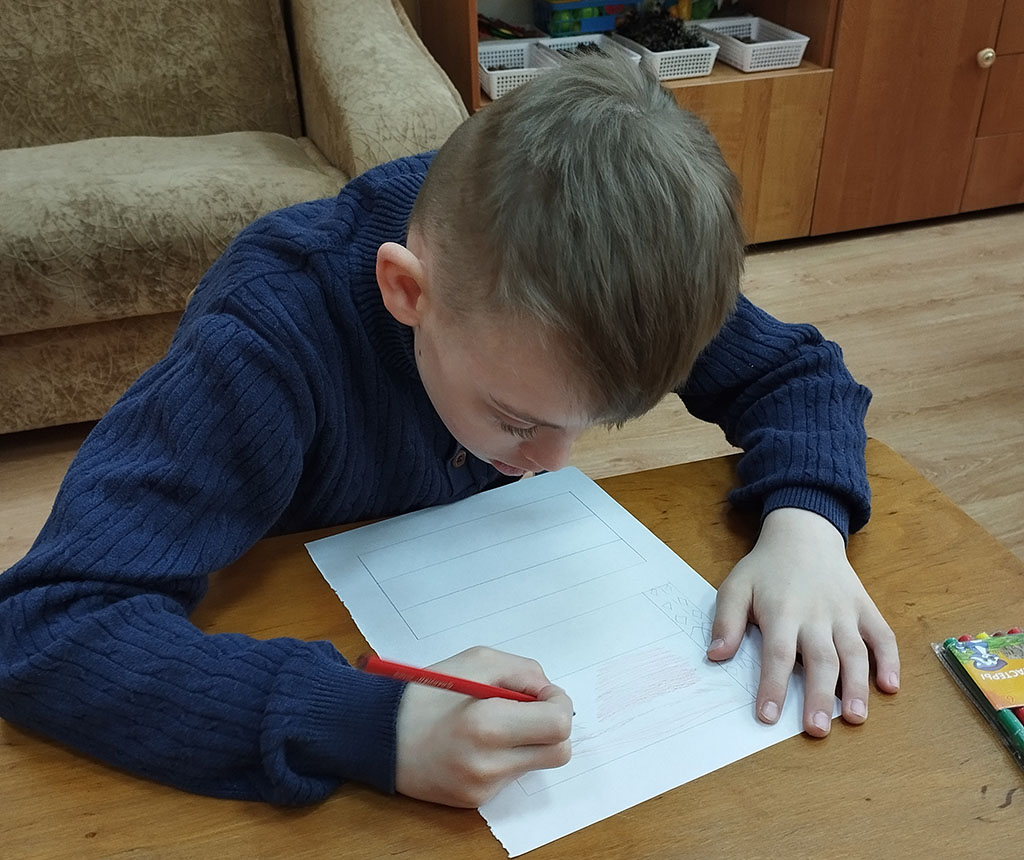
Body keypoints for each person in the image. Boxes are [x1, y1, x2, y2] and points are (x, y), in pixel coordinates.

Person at [0, 56, 899, 809]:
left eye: (593, 426)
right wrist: (376, 728)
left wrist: (806, 528)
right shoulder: (266, 345)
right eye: (517, 420)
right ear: (406, 291)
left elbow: (795, 374)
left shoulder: (608, 274)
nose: (552, 464)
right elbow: (45, 624)